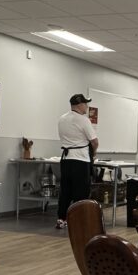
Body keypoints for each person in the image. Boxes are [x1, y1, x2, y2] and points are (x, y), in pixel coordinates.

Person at [56, 93, 98, 230]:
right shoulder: (83, 120)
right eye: (85, 103)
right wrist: (94, 153)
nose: (86, 106)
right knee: (81, 192)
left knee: (65, 191)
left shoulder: (62, 119)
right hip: (80, 160)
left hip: (66, 159)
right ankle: (79, 221)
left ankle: (61, 219)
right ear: (79, 105)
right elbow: (94, 141)